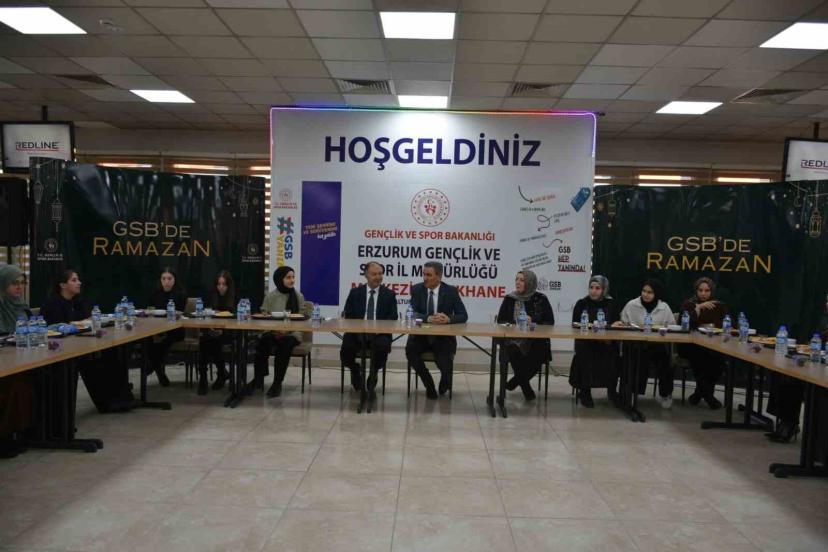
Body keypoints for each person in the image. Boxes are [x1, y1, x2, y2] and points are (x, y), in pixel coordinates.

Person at [40, 269, 134, 413]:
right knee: (92, 360)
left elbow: (87, 319)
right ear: (62, 285)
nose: (79, 283)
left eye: (78, 279)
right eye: (74, 280)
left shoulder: (77, 300)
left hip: (80, 343)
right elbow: (56, 328)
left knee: (112, 352)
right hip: (58, 349)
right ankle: (107, 403)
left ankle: (121, 399)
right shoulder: (52, 304)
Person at [765, 299, 828, 443]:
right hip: (817, 359)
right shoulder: (821, 318)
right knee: (787, 375)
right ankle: (786, 421)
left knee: (798, 381)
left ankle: (791, 425)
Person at [405, 261, 468, 399]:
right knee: (411, 352)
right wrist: (427, 318)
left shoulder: (451, 291)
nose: (425, 278)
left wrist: (448, 319)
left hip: (442, 338)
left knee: (444, 360)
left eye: (429, 275)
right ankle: (429, 384)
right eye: (423, 274)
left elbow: (463, 315)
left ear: (439, 276)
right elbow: (411, 314)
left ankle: (445, 379)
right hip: (420, 337)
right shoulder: (417, 289)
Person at [614, 279, 676, 408]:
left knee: (665, 363)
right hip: (635, 343)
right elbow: (622, 322)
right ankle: (631, 393)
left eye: (650, 292)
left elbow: (671, 327)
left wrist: (662, 330)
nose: (646, 294)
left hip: (657, 344)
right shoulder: (632, 304)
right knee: (635, 359)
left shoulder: (664, 307)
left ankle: (665, 394)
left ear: (656, 294)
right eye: (644, 291)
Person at [340, 261, 398, 399]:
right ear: (366, 275)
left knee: (382, 346)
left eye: (380, 274)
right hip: (357, 333)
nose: (378, 277)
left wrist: (379, 329)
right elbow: (349, 315)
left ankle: (373, 373)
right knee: (346, 350)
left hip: (379, 334)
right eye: (374, 274)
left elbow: (393, 318)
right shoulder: (355, 292)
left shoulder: (389, 294)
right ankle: (355, 370)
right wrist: (359, 329)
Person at [496, 269, 554, 400]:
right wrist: (513, 325)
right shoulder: (510, 298)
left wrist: (533, 320)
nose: (518, 282)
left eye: (522, 280)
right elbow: (501, 321)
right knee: (512, 349)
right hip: (514, 339)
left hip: (535, 340)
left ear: (530, 282)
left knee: (539, 350)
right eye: (516, 279)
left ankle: (515, 381)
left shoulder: (540, 299)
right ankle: (525, 386)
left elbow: (549, 322)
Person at [251, 266, 307, 398]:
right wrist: (274, 330)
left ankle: (277, 383)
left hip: (292, 333)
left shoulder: (298, 296)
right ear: (279, 279)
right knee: (263, 341)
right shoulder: (271, 296)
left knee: (285, 344)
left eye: (293, 277)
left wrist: (287, 331)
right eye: (288, 277)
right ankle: (258, 378)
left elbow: (303, 319)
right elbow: (264, 317)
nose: (292, 280)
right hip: (272, 331)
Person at [0, 264, 35, 458]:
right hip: (5, 360)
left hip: (23, 355)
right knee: (12, 384)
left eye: (22, 283)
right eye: (14, 283)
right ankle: (6, 436)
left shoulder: (21, 306)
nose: (19, 287)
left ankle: (23, 430)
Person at [569, 275, 619, 408]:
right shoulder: (582, 303)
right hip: (587, 342)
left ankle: (612, 391)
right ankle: (585, 392)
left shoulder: (611, 304)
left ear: (604, 289)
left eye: (597, 288)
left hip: (606, 342)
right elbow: (575, 325)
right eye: (591, 287)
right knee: (586, 353)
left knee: (613, 354)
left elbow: (616, 324)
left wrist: (610, 329)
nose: (593, 291)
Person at [678, 277, 728, 409]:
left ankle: (699, 393)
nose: (703, 293)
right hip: (690, 345)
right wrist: (698, 308)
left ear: (712, 291)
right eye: (700, 290)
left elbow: (728, 323)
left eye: (707, 290)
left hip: (713, 344)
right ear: (696, 291)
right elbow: (684, 324)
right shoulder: (688, 304)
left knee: (718, 360)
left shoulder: (719, 305)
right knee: (701, 358)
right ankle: (708, 395)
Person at [147, 267, 188, 387]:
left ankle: (153, 366)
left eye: (169, 278)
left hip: (175, 329)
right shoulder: (155, 293)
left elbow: (179, 313)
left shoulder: (181, 294)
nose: (166, 281)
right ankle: (158, 370)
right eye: (163, 278)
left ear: (175, 280)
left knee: (164, 341)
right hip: (157, 327)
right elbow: (150, 310)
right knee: (148, 340)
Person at [197, 270, 235, 395]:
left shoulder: (234, 297)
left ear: (228, 285)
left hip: (228, 332)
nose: (221, 287)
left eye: (224, 284)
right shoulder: (210, 295)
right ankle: (204, 378)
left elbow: (237, 319)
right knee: (205, 341)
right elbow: (205, 314)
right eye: (219, 284)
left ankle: (221, 374)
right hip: (211, 330)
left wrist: (221, 330)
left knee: (213, 341)